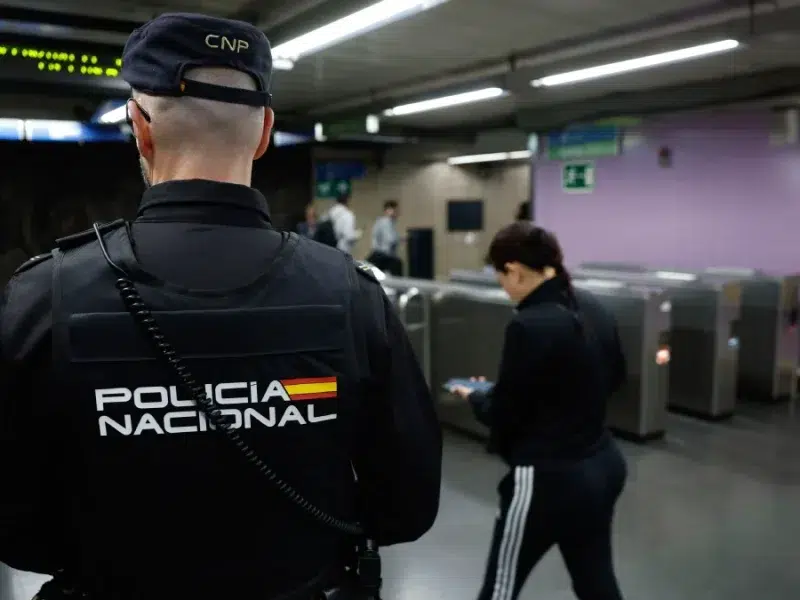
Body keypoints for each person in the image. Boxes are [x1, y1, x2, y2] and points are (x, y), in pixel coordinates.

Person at [0, 13, 442, 600]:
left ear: (140, 127)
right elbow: (406, 507)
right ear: (263, 134)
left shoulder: (42, 297)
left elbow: (14, 524)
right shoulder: (352, 294)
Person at [449, 222, 627, 600]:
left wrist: (476, 397)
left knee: (500, 588)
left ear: (514, 269)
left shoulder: (529, 324)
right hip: (603, 465)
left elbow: (505, 412)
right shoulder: (592, 306)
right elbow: (612, 376)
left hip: (547, 479)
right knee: (595, 579)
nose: (503, 286)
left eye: (501, 276)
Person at [366, 200, 402, 276]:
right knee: (397, 265)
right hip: (381, 256)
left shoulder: (384, 222)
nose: (397, 213)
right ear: (389, 210)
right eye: (395, 210)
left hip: (381, 256)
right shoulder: (385, 221)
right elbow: (390, 239)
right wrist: (400, 239)